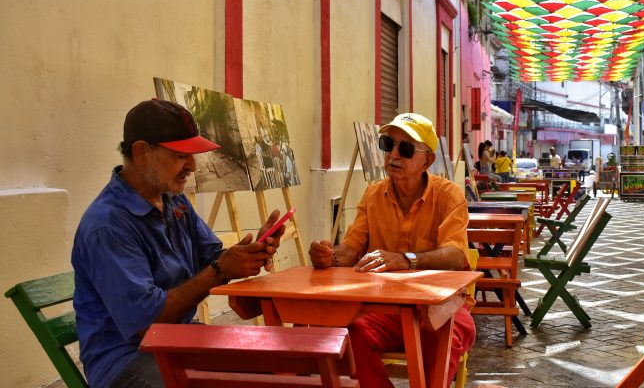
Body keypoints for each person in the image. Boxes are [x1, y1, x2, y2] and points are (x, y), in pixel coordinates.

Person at [72, 99, 286, 388]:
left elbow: (212, 257)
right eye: (180, 155)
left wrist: (252, 252)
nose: (193, 166)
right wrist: (220, 269)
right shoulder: (108, 224)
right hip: (128, 361)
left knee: (280, 365)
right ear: (141, 151)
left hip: (179, 338)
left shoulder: (174, 201)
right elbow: (144, 323)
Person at [308, 113, 475, 388]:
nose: (394, 155)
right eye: (388, 144)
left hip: (442, 306)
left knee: (440, 336)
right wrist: (330, 255)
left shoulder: (449, 195)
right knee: (353, 332)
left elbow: (456, 256)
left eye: (406, 149)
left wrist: (406, 260)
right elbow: (350, 249)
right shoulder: (373, 194)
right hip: (388, 309)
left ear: (427, 161)